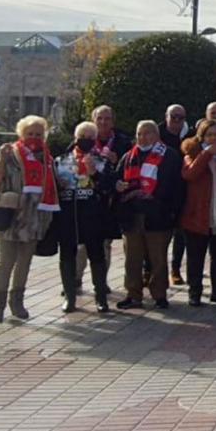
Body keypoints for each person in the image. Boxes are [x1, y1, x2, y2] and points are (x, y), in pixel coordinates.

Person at [0, 115, 56, 322]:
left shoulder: (47, 157)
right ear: (21, 134)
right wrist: (2, 159)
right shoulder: (10, 153)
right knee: (6, 262)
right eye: (30, 134)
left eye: (38, 134)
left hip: (35, 218)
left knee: (24, 262)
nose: (34, 138)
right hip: (10, 216)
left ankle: (17, 302)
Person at [116, 120, 185, 310]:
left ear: (156, 135)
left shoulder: (169, 156)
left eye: (147, 133)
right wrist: (119, 186)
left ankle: (159, 294)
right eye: (139, 134)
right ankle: (133, 294)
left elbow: (176, 187)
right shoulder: (129, 157)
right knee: (132, 259)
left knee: (158, 260)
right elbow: (117, 179)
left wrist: (170, 211)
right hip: (133, 216)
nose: (142, 137)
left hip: (158, 216)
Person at [50, 121, 113, 313]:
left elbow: (108, 186)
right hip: (68, 215)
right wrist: (58, 184)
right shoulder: (61, 160)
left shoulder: (101, 161)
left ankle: (101, 297)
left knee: (97, 255)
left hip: (93, 215)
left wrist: (94, 173)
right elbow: (52, 187)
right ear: (75, 138)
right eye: (82, 137)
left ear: (95, 140)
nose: (85, 141)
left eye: (89, 138)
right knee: (67, 255)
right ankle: (70, 297)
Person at [180, 119, 216, 306]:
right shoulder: (192, 152)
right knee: (195, 257)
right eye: (209, 135)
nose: (213, 138)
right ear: (201, 137)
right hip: (198, 215)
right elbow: (189, 174)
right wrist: (206, 155)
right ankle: (195, 292)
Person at [74, 105, 128, 294]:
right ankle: (75, 280)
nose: (103, 122)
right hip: (82, 200)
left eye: (107, 119)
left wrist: (116, 160)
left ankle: (101, 282)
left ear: (113, 121)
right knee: (80, 244)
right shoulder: (84, 138)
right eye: (100, 119)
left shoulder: (122, 141)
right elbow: (68, 161)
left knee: (104, 244)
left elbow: (128, 168)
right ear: (93, 120)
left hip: (108, 201)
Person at [159, 103, 191, 285]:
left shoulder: (189, 135)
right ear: (166, 117)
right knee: (159, 236)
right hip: (161, 192)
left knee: (180, 234)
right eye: (174, 117)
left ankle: (175, 269)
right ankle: (152, 270)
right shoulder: (157, 134)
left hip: (181, 190)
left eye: (181, 117)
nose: (177, 121)